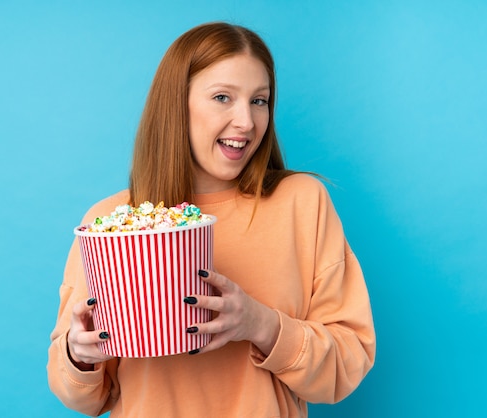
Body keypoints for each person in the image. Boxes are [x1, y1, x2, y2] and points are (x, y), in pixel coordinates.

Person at [47, 22, 375, 417]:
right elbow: (83, 397)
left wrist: (262, 325)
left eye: (259, 101)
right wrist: (78, 354)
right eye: (223, 97)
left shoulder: (302, 203)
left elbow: (347, 364)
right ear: (176, 104)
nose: (247, 122)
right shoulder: (110, 223)